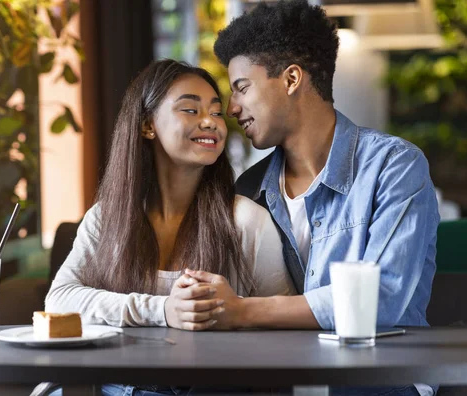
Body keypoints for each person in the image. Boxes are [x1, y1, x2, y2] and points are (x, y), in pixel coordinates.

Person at [182, 1, 439, 395]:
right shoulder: (249, 190)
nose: (232, 109)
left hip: (380, 379)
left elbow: (379, 300)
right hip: (282, 380)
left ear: (291, 79)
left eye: (242, 87)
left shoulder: (395, 167)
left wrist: (242, 311)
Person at [45, 59, 294, 396]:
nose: (210, 122)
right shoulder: (107, 218)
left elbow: (285, 332)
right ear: (148, 125)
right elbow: (59, 300)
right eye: (190, 110)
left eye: (216, 112)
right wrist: (162, 310)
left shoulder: (247, 221)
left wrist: (233, 313)